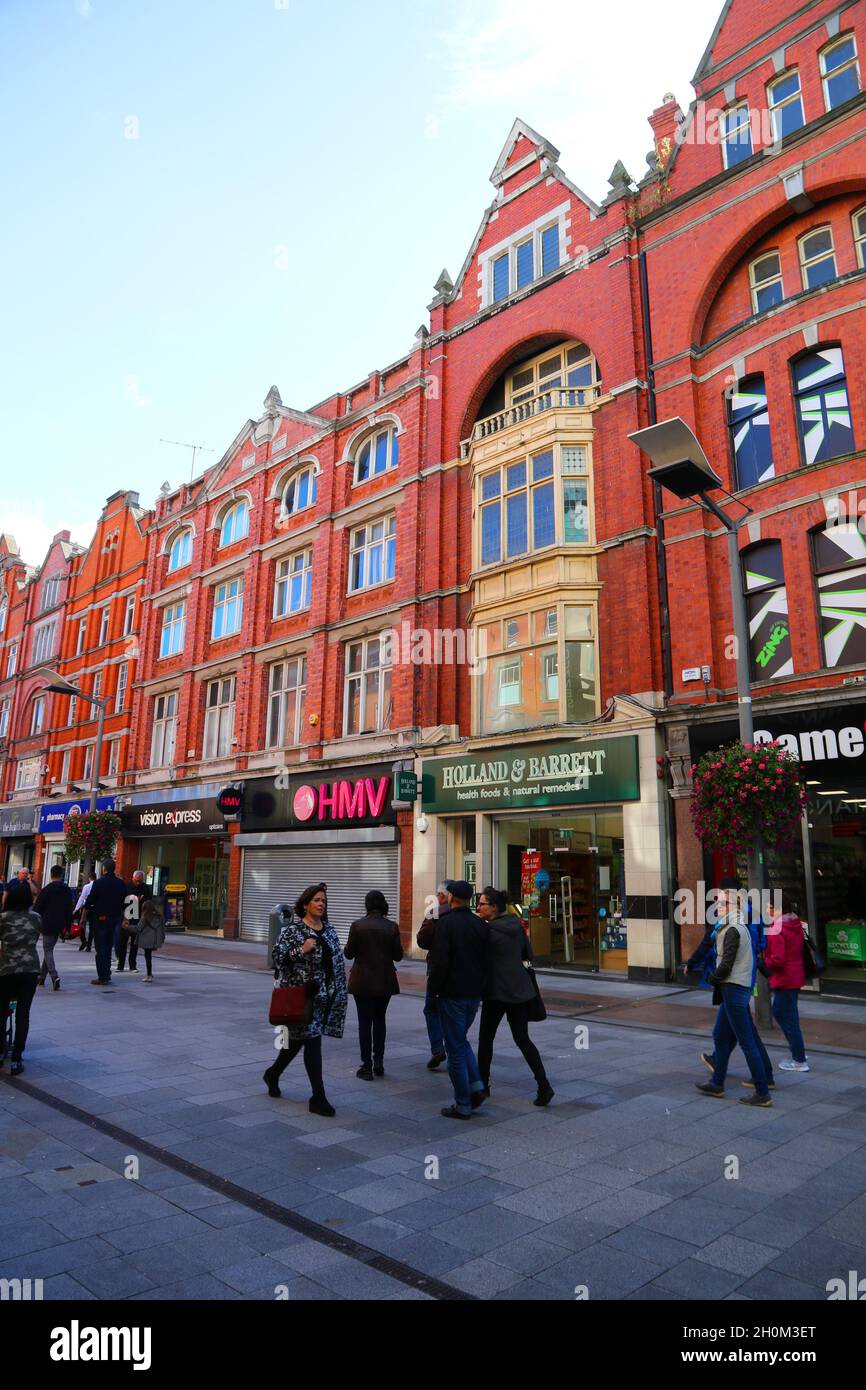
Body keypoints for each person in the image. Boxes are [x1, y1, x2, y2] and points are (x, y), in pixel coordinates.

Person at [263, 884, 347, 1116]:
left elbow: (336, 966)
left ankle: (273, 1073)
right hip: (300, 998)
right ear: (305, 905)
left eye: (323, 901)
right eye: (316, 900)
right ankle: (318, 1097)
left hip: (321, 999)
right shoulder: (293, 931)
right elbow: (277, 958)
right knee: (311, 1042)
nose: (321, 904)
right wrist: (301, 949)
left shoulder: (329, 930)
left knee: (296, 1041)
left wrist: (338, 993)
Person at [696, 877, 772, 1107]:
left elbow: (726, 963)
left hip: (734, 989)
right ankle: (717, 1082)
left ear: (733, 905)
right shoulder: (733, 926)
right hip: (734, 989)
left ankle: (762, 1091)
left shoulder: (734, 929)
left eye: (721, 903)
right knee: (721, 1035)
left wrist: (712, 978)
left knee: (747, 1041)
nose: (717, 907)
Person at [476, 887, 553, 1107]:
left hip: (496, 992)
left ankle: (482, 1085)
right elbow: (528, 954)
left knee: (486, 1040)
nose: (478, 907)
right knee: (522, 1039)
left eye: (482, 904)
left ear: (494, 907)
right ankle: (544, 1086)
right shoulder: (517, 926)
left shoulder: (488, 931)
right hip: (519, 991)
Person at [427, 880, 490, 1120]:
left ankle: (463, 1103)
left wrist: (433, 991)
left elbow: (440, 962)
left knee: (454, 1048)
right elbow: (487, 961)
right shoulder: (480, 925)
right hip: (474, 994)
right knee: (460, 1040)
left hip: (452, 994)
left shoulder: (447, 924)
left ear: (451, 897)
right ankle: (476, 1086)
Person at [344, 890, 403, 1079]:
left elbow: (349, 953)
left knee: (364, 1022)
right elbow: (398, 955)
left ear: (367, 905)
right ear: (383, 904)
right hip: (384, 981)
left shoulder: (357, 926)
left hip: (362, 981)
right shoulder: (392, 926)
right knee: (379, 1020)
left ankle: (366, 1066)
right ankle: (379, 1061)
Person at [0, 880, 42, 1074]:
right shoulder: (36, 918)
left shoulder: (3, 918)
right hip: (30, 970)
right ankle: (17, 1057)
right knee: (23, 1014)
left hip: (7, 970)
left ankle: (1, 1051)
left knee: (2, 1012)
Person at [764, 896, 809, 1073]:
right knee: (790, 1015)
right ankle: (799, 1053)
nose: (767, 910)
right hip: (795, 975)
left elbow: (777, 959)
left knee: (783, 1014)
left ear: (777, 908)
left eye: (769, 907)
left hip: (784, 979)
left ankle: (799, 1059)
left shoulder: (776, 928)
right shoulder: (794, 923)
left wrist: (764, 961)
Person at [416, 882, 450, 1070]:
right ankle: (453, 1047)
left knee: (431, 1008)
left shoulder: (436, 913)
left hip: (438, 970)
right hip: (461, 974)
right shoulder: (467, 916)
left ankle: (438, 1048)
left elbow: (422, 940)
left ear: (442, 895)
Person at [86, 860, 128, 986]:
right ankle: (107, 974)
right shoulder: (120, 883)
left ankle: (102, 976)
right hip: (114, 918)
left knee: (101, 947)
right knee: (109, 945)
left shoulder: (99, 883)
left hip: (100, 918)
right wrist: (124, 918)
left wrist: (89, 910)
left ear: (104, 869)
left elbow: (89, 901)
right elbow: (125, 903)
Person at [34, 865, 74, 991]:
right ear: (61, 875)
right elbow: (69, 909)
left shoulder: (46, 889)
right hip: (59, 924)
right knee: (49, 949)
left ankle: (54, 976)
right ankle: (41, 977)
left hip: (47, 923)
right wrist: (68, 927)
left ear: (51, 874)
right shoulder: (66, 890)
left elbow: (37, 908)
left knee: (47, 950)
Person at [118, 870, 151, 973]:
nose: (138, 883)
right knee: (123, 943)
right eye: (136, 881)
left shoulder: (145, 888)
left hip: (138, 918)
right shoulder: (126, 887)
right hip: (126, 917)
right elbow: (121, 902)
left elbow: (149, 902)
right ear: (132, 878)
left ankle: (132, 965)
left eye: (140, 881)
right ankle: (120, 965)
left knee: (134, 943)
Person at [130, 897, 165, 982]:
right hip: (155, 940)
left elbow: (138, 929)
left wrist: (127, 927)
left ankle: (149, 975)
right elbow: (163, 930)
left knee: (148, 957)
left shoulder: (145, 918)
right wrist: (162, 938)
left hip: (147, 940)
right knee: (149, 957)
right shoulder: (159, 917)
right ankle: (150, 974)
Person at [75, 871, 97, 952]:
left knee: (81, 923)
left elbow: (82, 898)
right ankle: (89, 945)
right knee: (92, 927)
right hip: (94, 908)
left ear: (89, 878)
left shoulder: (87, 886)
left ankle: (84, 940)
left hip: (86, 907)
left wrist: (76, 908)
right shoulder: (98, 886)